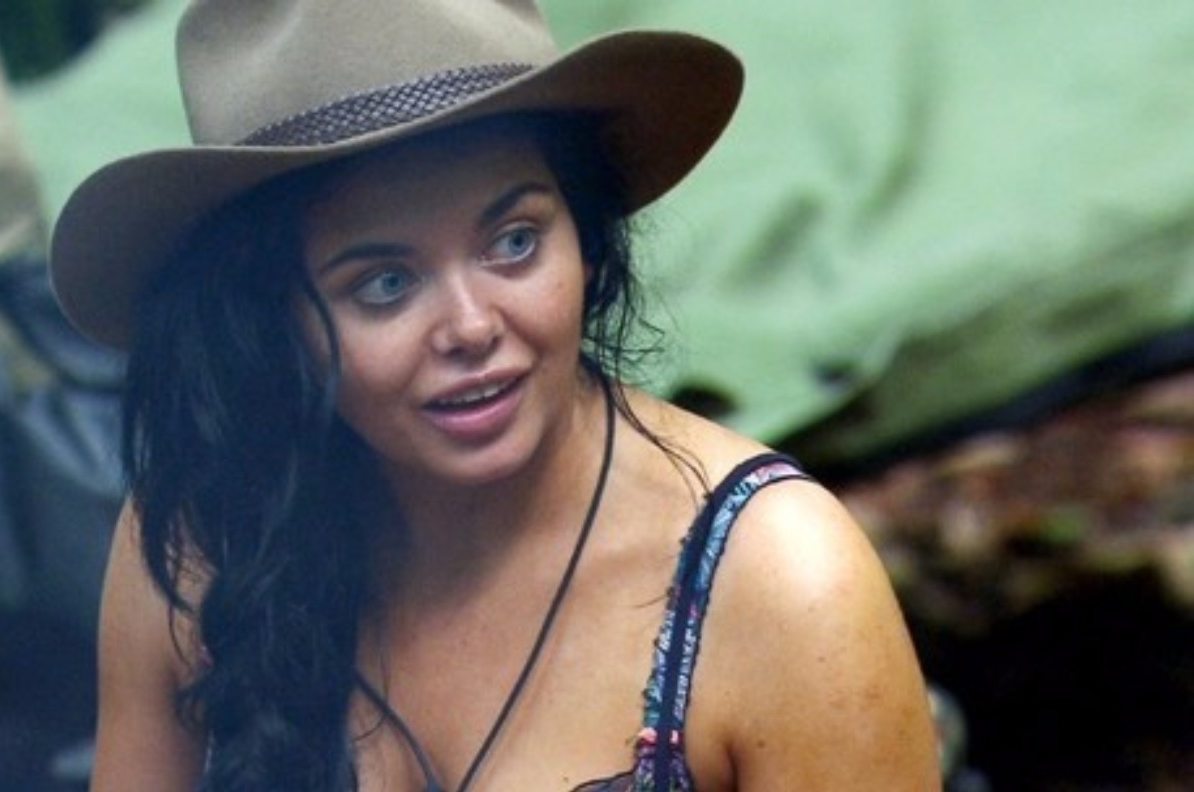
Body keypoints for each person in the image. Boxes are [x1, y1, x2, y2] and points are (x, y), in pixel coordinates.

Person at [50, 0, 942, 789]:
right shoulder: (200, 542)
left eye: (514, 241)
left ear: (585, 237)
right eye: (385, 285)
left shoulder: (777, 579)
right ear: (269, 320)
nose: (472, 326)